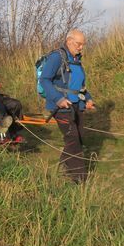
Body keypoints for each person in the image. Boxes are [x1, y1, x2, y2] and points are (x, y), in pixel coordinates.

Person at [39, 29, 95, 183]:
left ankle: (64, 165)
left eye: (83, 44)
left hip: (78, 104)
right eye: (79, 44)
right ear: (69, 41)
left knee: (79, 137)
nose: (81, 47)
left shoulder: (76, 59)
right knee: (73, 140)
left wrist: (88, 99)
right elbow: (44, 79)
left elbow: (80, 85)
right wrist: (58, 99)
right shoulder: (57, 57)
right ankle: (79, 180)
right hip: (61, 106)